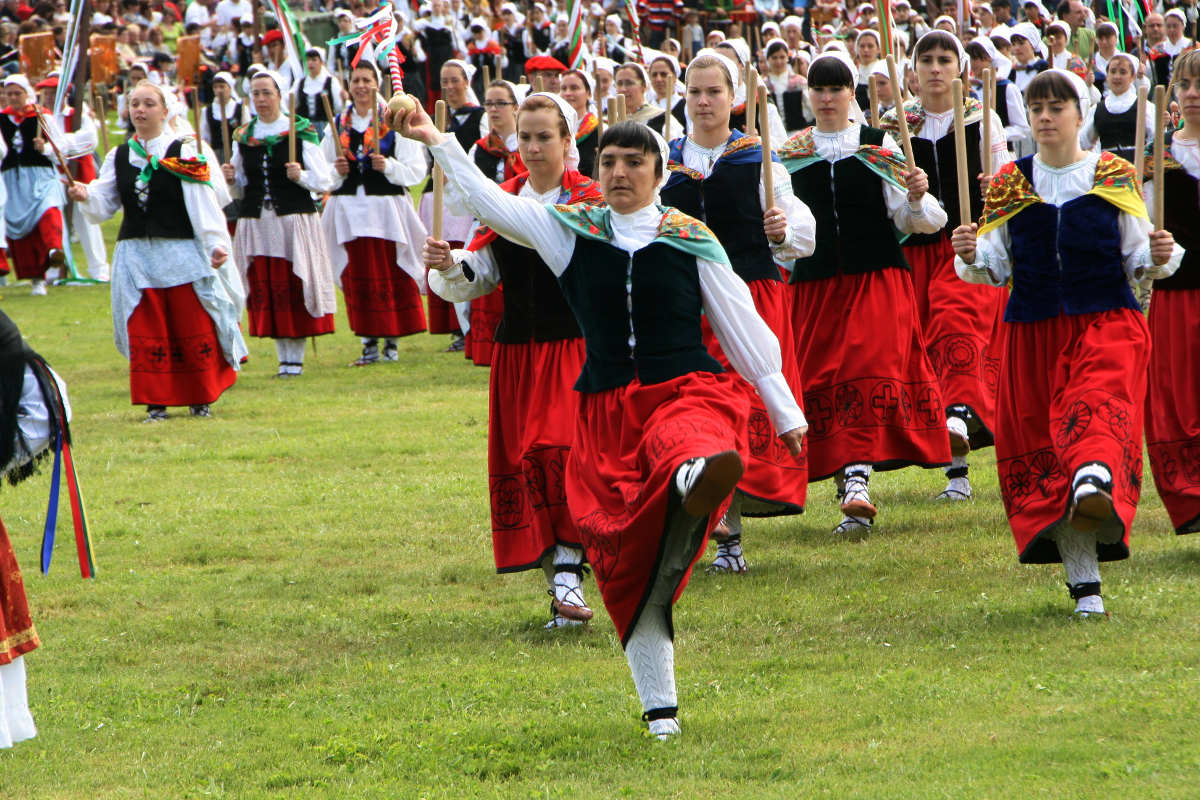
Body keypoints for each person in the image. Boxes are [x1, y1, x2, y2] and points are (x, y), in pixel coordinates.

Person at [391, 102, 806, 739]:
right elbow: (497, 208)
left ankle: (695, 477)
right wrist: (437, 140)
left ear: (658, 171)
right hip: (608, 412)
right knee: (630, 569)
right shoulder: (570, 230)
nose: (618, 172)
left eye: (633, 161)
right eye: (609, 161)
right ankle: (660, 713)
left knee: (687, 443)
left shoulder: (690, 235)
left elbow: (742, 326)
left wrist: (783, 409)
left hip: (686, 390)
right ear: (596, 165)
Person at [950, 70, 1182, 617]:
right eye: (1037, 108)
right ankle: (1086, 585)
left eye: (1057, 107)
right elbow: (996, 265)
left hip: (1106, 321)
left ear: (1082, 114)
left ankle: (1095, 474)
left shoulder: (1115, 174)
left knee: (1096, 409)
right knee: (1048, 461)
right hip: (1031, 331)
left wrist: (1160, 251)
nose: (1046, 117)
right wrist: (970, 254)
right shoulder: (1011, 182)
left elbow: (1140, 261)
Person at [424, 92, 604, 628]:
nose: (533, 146)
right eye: (524, 137)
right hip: (517, 357)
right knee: (526, 463)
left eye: (544, 136)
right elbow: (477, 277)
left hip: (574, 351)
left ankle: (571, 572)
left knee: (558, 453)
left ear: (568, 141)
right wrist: (451, 263)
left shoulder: (591, 201)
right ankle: (562, 584)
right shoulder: (501, 198)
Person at [780, 51, 950, 535]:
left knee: (864, 366)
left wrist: (917, 195)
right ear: (808, 95)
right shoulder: (790, 155)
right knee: (823, 379)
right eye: (819, 88)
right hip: (814, 288)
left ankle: (858, 480)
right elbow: (783, 230)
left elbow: (917, 221)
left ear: (851, 93)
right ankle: (846, 480)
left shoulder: (879, 146)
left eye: (836, 88)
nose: (827, 97)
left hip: (877, 279)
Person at [661, 51, 815, 572]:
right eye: (695, 92)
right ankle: (725, 536)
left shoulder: (759, 160)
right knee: (706, 406)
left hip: (753, 295)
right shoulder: (667, 164)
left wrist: (783, 231)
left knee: (746, 404)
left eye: (713, 92)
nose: (703, 102)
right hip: (690, 304)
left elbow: (801, 230)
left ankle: (729, 530)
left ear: (734, 98)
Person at [882, 31, 1011, 501]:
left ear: (961, 69)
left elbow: (1007, 187)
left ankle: (960, 428)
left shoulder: (984, 119)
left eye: (944, 59)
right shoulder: (895, 124)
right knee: (924, 350)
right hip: (914, 249)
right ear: (913, 68)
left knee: (956, 328)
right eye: (926, 59)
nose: (935, 68)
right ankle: (956, 473)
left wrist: (990, 189)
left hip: (966, 246)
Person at [68, 81, 246, 421]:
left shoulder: (185, 152)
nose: (140, 110)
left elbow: (203, 202)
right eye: (134, 103)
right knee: (147, 329)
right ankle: (156, 402)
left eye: (148, 103)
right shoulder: (119, 155)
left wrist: (216, 244)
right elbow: (105, 202)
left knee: (190, 324)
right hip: (137, 257)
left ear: (165, 111)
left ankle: (199, 397)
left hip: (181, 254)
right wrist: (85, 195)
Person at [223, 70, 338, 377]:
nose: (261, 100)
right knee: (268, 287)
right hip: (258, 222)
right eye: (255, 94)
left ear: (280, 95)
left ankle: (295, 361)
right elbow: (239, 186)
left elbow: (324, 179)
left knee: (292, 285)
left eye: (266, 93)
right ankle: (282, 359)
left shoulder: (299, 132)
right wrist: (231, 178)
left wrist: (300, 176)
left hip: (292, 221)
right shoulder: (245, 136)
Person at [321, 61, 429, 367]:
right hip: (347, 212)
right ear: (349, 84)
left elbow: (417, 169)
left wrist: (390, 167)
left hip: (385, 212)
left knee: (388, 272)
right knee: (357, 276)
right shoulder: (339, 122)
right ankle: (367, 341)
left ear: (377, 84)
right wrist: (336, 170)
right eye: (356, 80)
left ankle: (391, 340)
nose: (361, 86)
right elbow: (322, 170)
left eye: (367, 80)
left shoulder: (392, 120)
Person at [1143, 50, 1200, 535]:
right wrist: (1151, 244)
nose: (1195, 93)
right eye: (1187, 85)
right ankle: (1190, 499)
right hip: (1178, 295)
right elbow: (1139, 226)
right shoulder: (1157, 156)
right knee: (1177, 398)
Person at [422, 59, 485, 351]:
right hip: (437, 195)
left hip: (462, 198)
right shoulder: (439, 118)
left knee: (461, 255)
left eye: (454, 80)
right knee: (439, 255)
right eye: (444, 81)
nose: (448, 87)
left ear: (466, 82)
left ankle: (468, 326)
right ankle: (453, 326)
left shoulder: (479, 117)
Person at [463, 79, 526, 367]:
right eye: (488, 103)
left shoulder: (529, 144)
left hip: (522, 226)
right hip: (488, 226)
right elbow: (465, 191)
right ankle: (488, 350)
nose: (493, 109)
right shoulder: (479, 150)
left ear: (515, 107)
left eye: (501, 103)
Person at [0, 74, 66, 295]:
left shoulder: (42, 116)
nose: (13, 97)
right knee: (23, 231)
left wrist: (45, 148)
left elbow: (62, 149)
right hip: (13, 180)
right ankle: (37, 278)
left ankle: (54, 249)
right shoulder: (1, 119)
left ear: (27, 94)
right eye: (9, 93)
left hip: (40, 176)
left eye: (17, 93)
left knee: (48, 211)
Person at [1080, 52, 1154, 163]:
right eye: (1113, 72)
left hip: (1138, 173)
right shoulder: (1097, 109)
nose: (1117, 76)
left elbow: (1155, 140)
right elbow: (1083, 143)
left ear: (1132, 76)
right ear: (1107, 75)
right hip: (1108, 174)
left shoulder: (1145, 107)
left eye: (1123, 72)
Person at [558, 68, 599, 176]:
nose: (567, 93)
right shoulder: (552, 128)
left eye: (574, 88)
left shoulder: (600, 130)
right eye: (563, 88)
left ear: (589, 93)